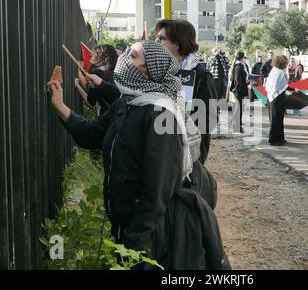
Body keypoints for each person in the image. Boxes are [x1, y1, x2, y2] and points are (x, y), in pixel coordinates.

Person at [48, 40, 230, 270]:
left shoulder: (162, 114)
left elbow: (158, 191)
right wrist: (60, 105)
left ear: (148, 71)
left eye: (132, 55)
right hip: (125, 225)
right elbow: (93, 135)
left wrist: (135, 241)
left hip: (151, 235)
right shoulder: (128, 101)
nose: (124, 58)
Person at [154, 19, 218, 164]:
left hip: (188, 153)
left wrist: (182, 126)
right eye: (157, 37)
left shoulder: (202, 77)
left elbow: (210, 119)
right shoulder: (156, 72)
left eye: (162, 38)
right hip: (159, 147)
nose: (156, 41)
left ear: (178, 43)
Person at [75, 44, 120, 116]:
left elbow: (90, 102)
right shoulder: (115, 72)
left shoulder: (98, 72)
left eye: (94, 54)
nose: (91, 56)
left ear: (102, 57)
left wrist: (77, 85)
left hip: (106, 117)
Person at [265, 55, 295, 146]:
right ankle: (274, 140)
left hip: (272, 97)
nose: (287, 63)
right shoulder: (280, 72)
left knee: (277, 119)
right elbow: (282, 86)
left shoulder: (274, 70)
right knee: (276, 120)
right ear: (283, 63)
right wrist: (293, 89)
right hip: (276, 98)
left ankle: (280, 138)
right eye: (286, 62)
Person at [230, 51, 249, 133]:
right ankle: (236, 126)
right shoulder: (238, 66)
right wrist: (241, 88)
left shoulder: (239, 65)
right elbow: (237, 80)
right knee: (238, 109)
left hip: (239, 90)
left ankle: (238, 125)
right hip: (238, 91)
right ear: (242, 58)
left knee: (239, 108)